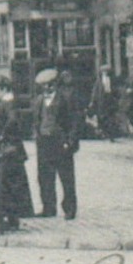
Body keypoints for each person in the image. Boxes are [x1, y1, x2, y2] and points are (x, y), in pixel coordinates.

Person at [0, 76, 32, 237]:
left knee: (2, 184)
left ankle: (0, 219)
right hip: (9, 149)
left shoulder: (8, 103)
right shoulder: (6, 103)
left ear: (3, 89)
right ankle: (11, 218)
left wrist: (2, 135)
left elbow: (13, 121)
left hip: (6, 150)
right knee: (10, 183)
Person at [33, 68, 82, 220]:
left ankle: (69, 209)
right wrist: (37, 136)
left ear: (55, 84)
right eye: (44, 86)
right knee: (45, 177)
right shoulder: (39, 100)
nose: (47, 88)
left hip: (60, 142)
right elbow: (37, 121)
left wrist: (70, 140)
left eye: (50, 85)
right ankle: (48, 207)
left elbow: (74, 121)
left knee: (66, 177)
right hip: (44, 142)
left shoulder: (65, 99)